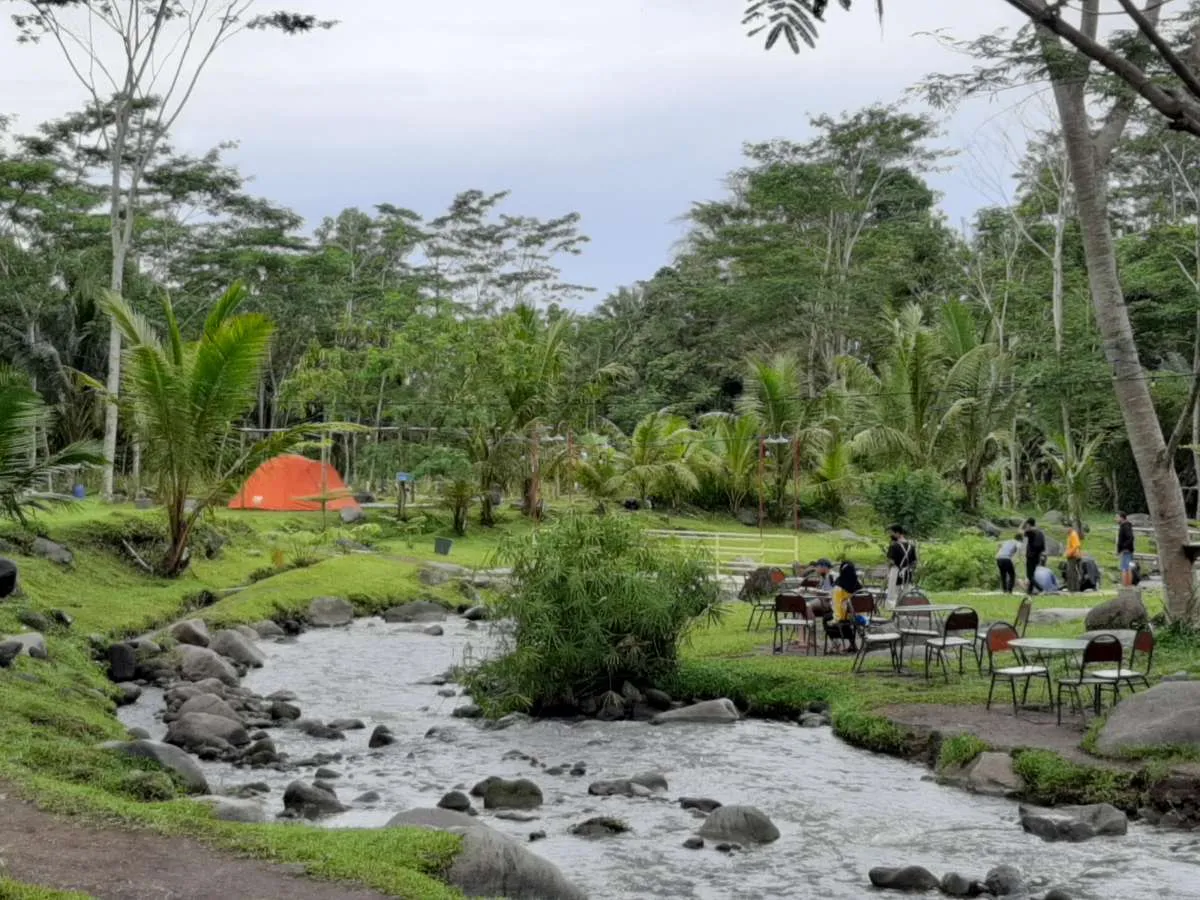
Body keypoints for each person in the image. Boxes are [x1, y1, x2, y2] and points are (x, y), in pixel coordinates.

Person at [825, 561, 862, 653]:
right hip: (858, 616)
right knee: (846, 618)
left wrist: (835, 619)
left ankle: (835, 644)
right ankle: (852, 644)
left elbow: (837, 608)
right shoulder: (859, 585)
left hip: (844, 615)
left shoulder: (839, 587)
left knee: (827, 618)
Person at [885, 524, 918, 609]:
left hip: (895, 572)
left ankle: (893, 612)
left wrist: (888, 573)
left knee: (892, 594)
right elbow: (914, 562)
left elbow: (891, 561)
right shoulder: (911, 546)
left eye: (892, 533)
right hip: (907, 573)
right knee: (904, 594)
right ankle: (903, 613)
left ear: (898, 533)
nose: (890, 535)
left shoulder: (893, 546)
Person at [1022, 518, 1046, 594]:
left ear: (1028, 524)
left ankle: (1041, 589)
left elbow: (1020, 531)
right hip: (1037, 556)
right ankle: (1030, 591)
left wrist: (1023, 523)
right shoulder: (1040, 532)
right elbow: (1043, 545)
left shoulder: (1031, 531)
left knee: (1029, 576)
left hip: (1030, 556)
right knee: (1032, 575)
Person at [1117, 512, 1136, 587]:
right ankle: (1127, 585)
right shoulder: (1124, 526)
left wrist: (1123, 547)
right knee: (1127, 567)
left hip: (1126, 551)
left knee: (1126, 568)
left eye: (1117, 517)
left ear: (1122, 518)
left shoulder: (1126, 526)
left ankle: (1126, 586)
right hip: (1127, 550)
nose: (1115, 519)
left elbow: (1131, 538)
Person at [1065, 526, 1083, 593]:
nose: (1065, 530)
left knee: (1071, 572)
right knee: (1072, 572)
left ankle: (1073, 588)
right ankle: (1073, 588)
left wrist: (1069, 553)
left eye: (1066, 528)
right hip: (1072, 555)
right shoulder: (1070, 535)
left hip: (1073, 556)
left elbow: (1076, 545)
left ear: (1070, 528)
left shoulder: (1073, 534)